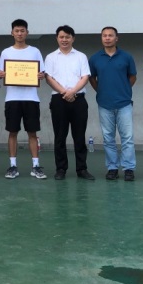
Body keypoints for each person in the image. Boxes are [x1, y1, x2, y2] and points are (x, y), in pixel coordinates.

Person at [0, 19, 46, 180]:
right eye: (16, 31)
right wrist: (0, 74)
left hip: (31, 99)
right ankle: (12, 166)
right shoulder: (6, 52)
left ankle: (36, 166)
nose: (19, 33)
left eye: (22, 30)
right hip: (12, 99)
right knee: (13, 132)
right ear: (12, 33)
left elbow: (42, 73)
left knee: (32, 133)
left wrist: (40, 75)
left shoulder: (35, 51)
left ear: (27, 33)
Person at [44, 25, 93, 180]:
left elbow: (85, 77)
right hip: (59, 99)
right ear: (57, 38)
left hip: (78, 99)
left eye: (67, 37)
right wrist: (64, 92)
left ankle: (82, 169)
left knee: (79, 136)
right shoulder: (51, 57)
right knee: (60, 136)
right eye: (61, 37)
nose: (64, 40)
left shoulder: (81, 56)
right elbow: (48, 78)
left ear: (73, 38)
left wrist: (73, 91)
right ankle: (61, 169)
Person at [88, 26, 137, 181]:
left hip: (124, 103)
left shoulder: (126, 57)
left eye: (110, 35)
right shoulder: (95, 58)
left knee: (127, 137)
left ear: (116, 38)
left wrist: (123, 90)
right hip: (104, 104)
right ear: (101, 38)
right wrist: (101, 91)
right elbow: (91, 78)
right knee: (108, 138)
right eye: (104, 35)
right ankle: (112, 168)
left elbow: (132, 77)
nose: (107, 38)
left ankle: (128, 168)